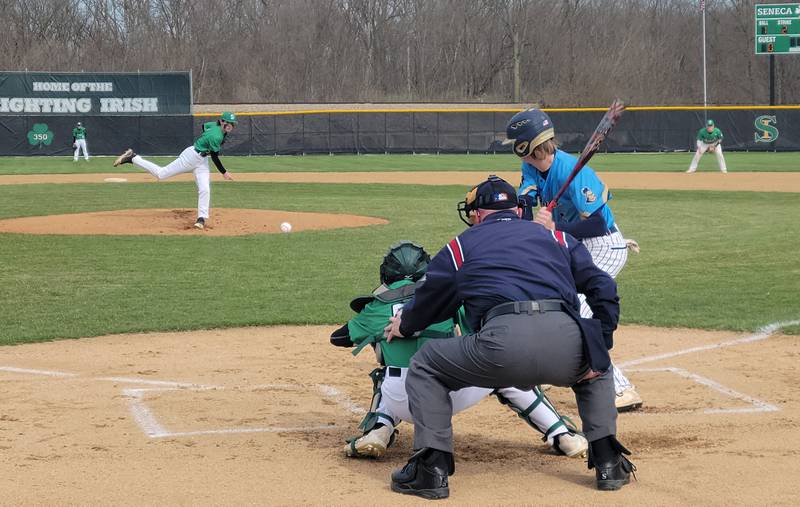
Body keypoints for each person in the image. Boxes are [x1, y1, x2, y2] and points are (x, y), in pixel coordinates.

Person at [383, 176, 635, 499]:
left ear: (476, 214)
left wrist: (404, 325)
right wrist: (600, 341)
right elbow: (603, 288)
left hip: (499, 347)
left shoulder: (462, 245)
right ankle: (608, 462)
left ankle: (430, 469)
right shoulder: (557, 238)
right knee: (596, 369)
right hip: (565, 340)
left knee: (426, 366)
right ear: (518, 210)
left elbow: (432, 300)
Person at [330, 241, 587, 460]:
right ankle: (561, 434)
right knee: (504, 369)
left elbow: (338, 338)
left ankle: (378, 429)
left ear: (385, 274)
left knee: (387, 375)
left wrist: (378, 329)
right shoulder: (446, 298)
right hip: (452, 394)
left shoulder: (373, 309)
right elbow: (480, 325)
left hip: (401, 401)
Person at [502, 108, 643, 412]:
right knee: (553, 299)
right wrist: (527, 217)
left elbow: (597, 225)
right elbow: (526, 200)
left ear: (526, 145)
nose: (514, 150)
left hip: (602, 246)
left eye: (515, 144)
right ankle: (562, 364)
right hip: (574, 247)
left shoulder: (571, 171)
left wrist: (555, 227)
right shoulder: (532, 168)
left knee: (579, 307)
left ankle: (620, 387)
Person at [112, 112, 238, 229]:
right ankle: (133, 158)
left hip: (202, 161)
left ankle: (201, 219)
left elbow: (204, 126)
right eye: (228, 122)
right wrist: (224, 172)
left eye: (232, 123)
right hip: (191, 157)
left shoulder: (215, 126)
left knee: (205, 189)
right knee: (161, 174)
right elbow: (215, 157)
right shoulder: (216, 136)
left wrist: (206, 138)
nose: (230, 125)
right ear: (222, 121)